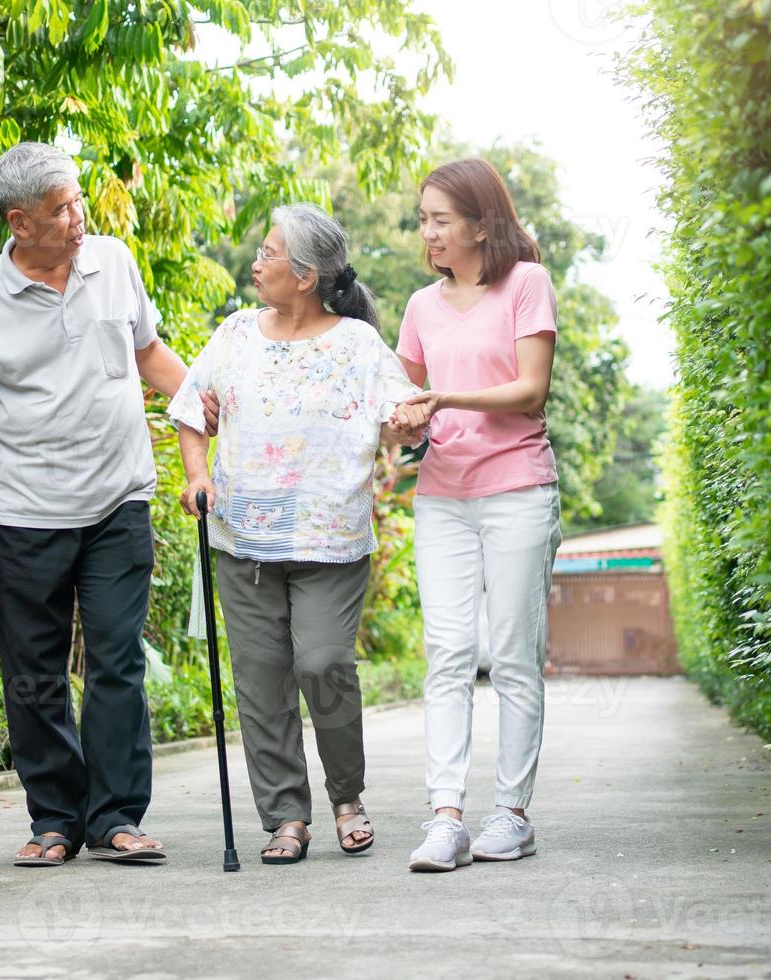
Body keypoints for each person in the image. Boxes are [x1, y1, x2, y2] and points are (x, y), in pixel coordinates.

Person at [0, 141, 214, 867]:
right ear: (18, 221)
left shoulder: (114, 262)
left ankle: (117, 817)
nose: (79, 216)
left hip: (120, 499)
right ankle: (55, 820)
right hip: (30, 512)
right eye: (62, 209)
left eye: (78, 200)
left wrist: (203, 401)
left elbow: (147, 353)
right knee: (33, 674)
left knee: (118, 661)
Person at [170, 203, 420, 865]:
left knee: (322, 664)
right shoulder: (235, 334)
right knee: (261, 680)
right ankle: (286, 816)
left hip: (329, 539)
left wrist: (407, 423)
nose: (257, 262)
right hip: (242, 540)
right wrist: (196, 474)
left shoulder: (359, 345)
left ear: (306, 276)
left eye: (270, 253)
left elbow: (401, 412)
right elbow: (191, 409)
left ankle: (347, 795)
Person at [393, 159, 563, 872]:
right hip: (443, 497)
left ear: (480, 224)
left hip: (518, 489)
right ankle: (446, 817)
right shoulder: (419, 306)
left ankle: (512, 815)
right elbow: (402, 405)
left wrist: (446, 398)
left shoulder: (526, 284)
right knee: (450, 655)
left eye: (440, 219)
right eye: (424, 218)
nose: (427, 232)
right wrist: (400, 425)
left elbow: (529, 390)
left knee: (514, 656)